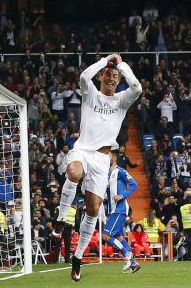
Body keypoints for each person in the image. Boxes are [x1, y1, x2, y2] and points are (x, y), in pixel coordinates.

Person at [51, 54, 142, 282]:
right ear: (101, 76)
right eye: (108, 75)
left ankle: (78, 257)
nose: (111, 78)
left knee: (93, 210)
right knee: (73, 173)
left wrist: (121, 65)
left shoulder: (122, 100)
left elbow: (137, 87)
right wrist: (104, 61)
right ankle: (60, 220)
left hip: (102, 159)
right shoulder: (91, 93)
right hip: (83, 150)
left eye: (115, 76)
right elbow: (84, 76)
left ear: (119, 80)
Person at [102, 151, 141, 273]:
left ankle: (127, 254)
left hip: (119, 209)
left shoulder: (120, 171)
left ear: (114, 158)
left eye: (107, 157)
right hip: (112, 210)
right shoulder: (106, 174)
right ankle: (134, 263)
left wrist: (122, 195)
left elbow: (134, 185)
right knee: (119, 237)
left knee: (105, 236)